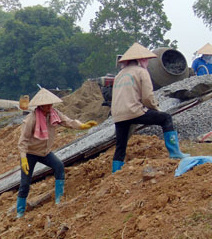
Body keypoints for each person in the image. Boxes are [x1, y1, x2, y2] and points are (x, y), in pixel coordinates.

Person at [16, 88, 97, 218]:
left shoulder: (54, 114)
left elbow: (68, 122)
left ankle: (59, 199)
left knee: (59, 166)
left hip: (44, 152)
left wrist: (82, 126)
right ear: (41, 106)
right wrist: (23, 158)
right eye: (47, 104)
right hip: (30, 153)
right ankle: (20, 211)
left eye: (50, 104)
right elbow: (22, 141)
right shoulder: (31, 119)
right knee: (25, 182)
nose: (50, 106)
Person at [111, 42, 189, 174]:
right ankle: (175, 152)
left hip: (118, 115)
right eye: (146, 59)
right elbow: (147, 97)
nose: (147, 62)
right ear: (141, 59)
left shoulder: (120, 75)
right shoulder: (142, 72)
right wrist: (156, 108)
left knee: (121, 145)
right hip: (134, 111)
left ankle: (115, 171)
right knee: (165, 118)